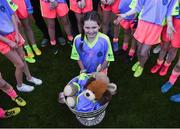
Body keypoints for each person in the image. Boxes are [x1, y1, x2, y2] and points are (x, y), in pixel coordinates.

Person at [114, 0, 177, 77]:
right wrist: (125, 15)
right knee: (139, 49)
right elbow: (138, 8)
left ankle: (141, 66)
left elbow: (169, 11)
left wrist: (170, 24)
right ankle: (139, 61)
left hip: (156, 27)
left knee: (143, 52)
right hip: (142, 23)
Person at [0, 0, 42, 92]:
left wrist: (17, 33)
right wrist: (8, 41)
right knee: (20, 64)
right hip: (2, 41)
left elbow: (12, 15)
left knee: (22, 58)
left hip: (13, 33)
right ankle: (20, 85)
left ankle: (29, 78)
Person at [151, 0, 179, 76]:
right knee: (164, 45)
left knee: (174, 48)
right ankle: (159, 63)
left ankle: (166, 65)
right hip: (170, 19)